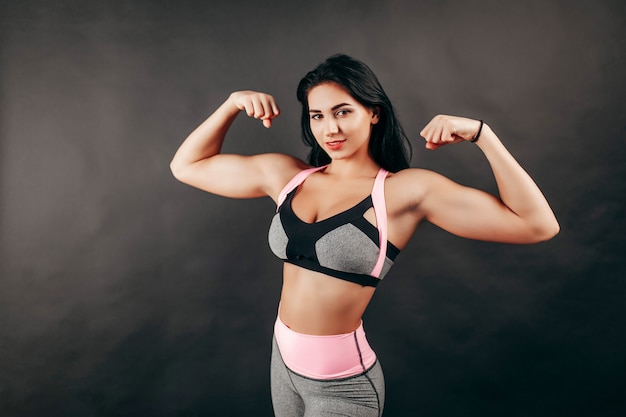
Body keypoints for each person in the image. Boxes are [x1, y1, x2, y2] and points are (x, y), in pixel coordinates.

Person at [170, 54, 559, 417]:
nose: (330, 128)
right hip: (282, 365)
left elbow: (537, 225)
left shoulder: (405, 191)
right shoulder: (288, 178)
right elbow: (188, 166)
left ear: (373, 113)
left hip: (342, 387)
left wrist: (482, 135)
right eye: (317, 115)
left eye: (343, 112)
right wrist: (232, 105)